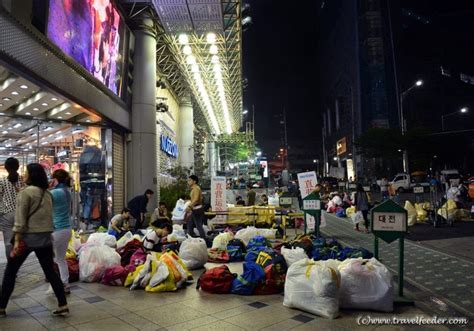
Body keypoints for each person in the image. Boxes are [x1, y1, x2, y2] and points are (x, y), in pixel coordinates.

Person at [0, 163, 68, 317]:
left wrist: (17, 240)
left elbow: (20, 219)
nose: (23, 174)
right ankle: (63, 304)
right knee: (50, 272)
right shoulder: (48, 194)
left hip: (27, 239)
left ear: (32, 175)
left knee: (10, 272)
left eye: (26, 172)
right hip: (45, 239)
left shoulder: (26, 192)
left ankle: (2, 306)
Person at [49, 169, 73, 295]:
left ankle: (55, 285)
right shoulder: (66, 191)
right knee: (60, 259)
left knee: (49, 259)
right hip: (67, 229)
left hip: (57, 230)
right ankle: (65, 284)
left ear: (56, 179)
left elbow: (42, 199)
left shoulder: (56, 192)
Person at [0, 158, 24, 259]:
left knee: (8, 242)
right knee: (19, 242)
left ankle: (11, 266)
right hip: (21, 213)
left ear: (6, 168)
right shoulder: (23, 180)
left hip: (7, 214)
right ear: (18, 166)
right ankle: (17, 265)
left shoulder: (2, 181)